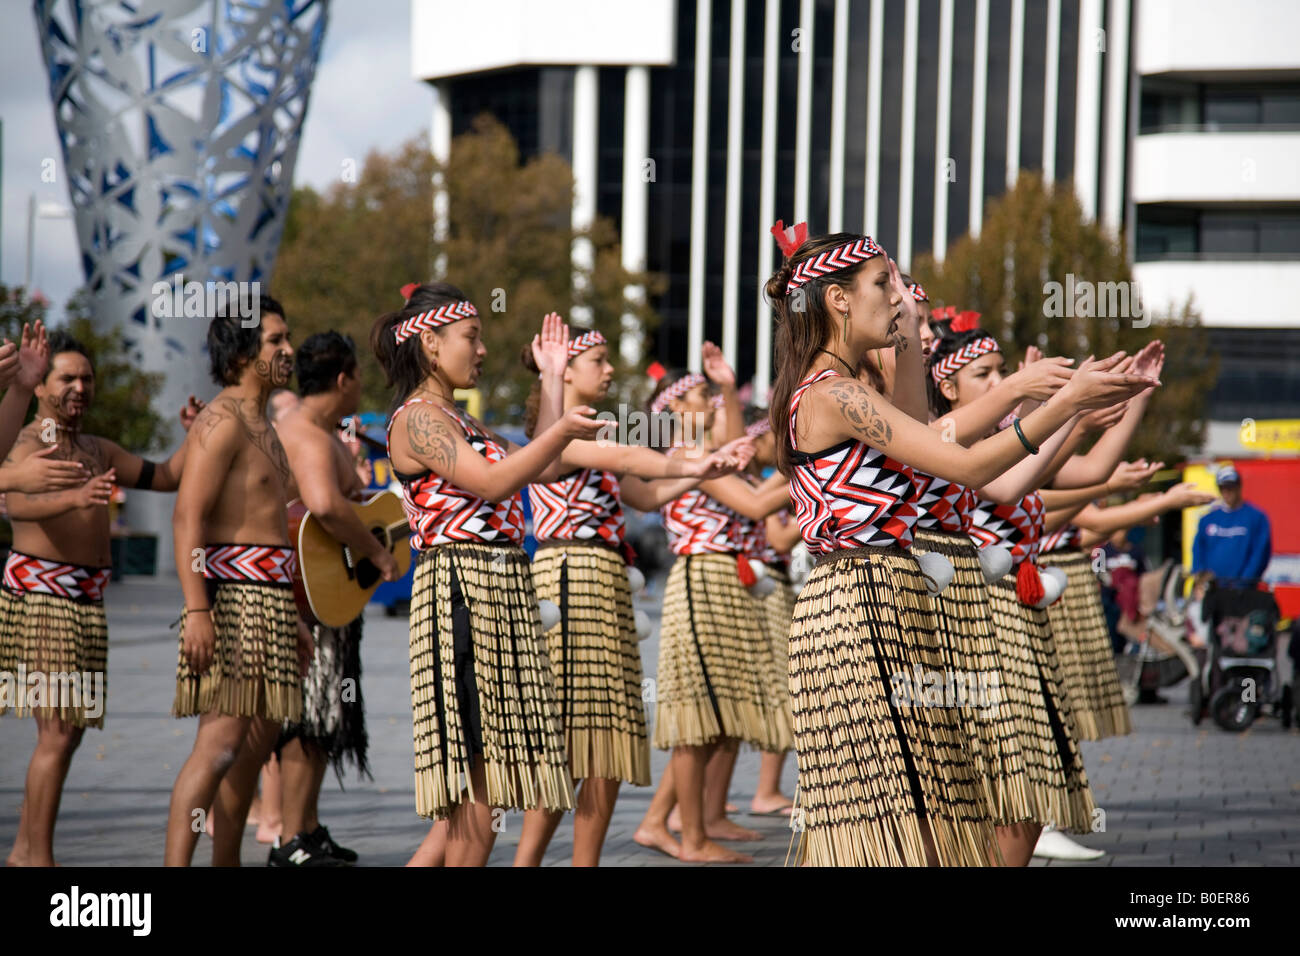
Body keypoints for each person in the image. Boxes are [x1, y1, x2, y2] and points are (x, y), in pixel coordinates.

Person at [765, 223, 1154, 865]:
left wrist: (913, 332)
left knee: (928, 825)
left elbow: (928, 434)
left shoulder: (849, 388)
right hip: (857, 610)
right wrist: (1063, 403)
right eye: (882, 284)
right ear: (837, 299)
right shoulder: (833, 394)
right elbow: (969, 469)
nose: (897, 297)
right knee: (886, 833)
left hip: (888, 602)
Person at [374, 288, 603, 867]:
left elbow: (543, 467)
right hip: (461, 597)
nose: (481, 348)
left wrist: (552, 379)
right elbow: (495, 483)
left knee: (484, 792)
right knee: (476, 796)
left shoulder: (457, 416)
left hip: (494, 594)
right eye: (470, 337)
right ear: (430, 342)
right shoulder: (418, 419)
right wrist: (562, 429)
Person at [512, 329, 749, 867]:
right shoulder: (558, 434)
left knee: (607, 740)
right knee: (574, 740)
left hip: (604, 578)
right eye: (598, 360)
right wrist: (692, 464)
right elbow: (631, 457)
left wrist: (699, 472)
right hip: (572, 577)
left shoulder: (591, 429)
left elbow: (640, 492)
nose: (610, 370)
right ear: (565, 371)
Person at [2, 329, 197, 867]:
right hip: (44, 600)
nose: (80, 387)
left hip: (86, 604)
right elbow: (15, 508)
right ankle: (35, 860)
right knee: (58, 732)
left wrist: (194, 435)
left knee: (69, 734)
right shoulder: (26, 443)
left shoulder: (96, 449)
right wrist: (72, 496)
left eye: (87, 378)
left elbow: (166, 476)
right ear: (39, 386)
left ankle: (24, 850)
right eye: (67, 377)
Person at [166, 296, 313, 867]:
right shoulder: (222, 419)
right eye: (275, 340)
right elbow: (187, 518)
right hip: (229, 603)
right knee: (219, 745)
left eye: (286, 337)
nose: (287, 349)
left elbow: (276, 527)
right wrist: (197, 610)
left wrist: (294, 617)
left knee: (253, 751)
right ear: (241, 357)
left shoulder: (264, 426)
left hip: (271, 604)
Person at [632, 363, 792, 864]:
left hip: (728, 580)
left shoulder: (711, 453)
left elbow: (741, 461)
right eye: (702, 394)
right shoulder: (686, 454)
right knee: (699, 716)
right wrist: (816, 460)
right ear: (675, 408)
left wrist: (724, 384)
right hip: (704, 579)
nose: (713, 403)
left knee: (720, 716)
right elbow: (751, 506)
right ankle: (684, 832)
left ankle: (685, 821)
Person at [268, 331, 401, 866]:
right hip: (308, 597)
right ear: (343, 380)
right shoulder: (303, 432)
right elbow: (323, 505)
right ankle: (291, 840)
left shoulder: (320, 432)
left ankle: (308, 826)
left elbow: (343, 500)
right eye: (359, 377)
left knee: (325, 716)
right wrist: (378, 551)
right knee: (307, 719)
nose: (361, 387)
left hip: (327, 597)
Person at [1192, 465, 1272, 588]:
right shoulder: (1208, 519)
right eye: (1223, 488)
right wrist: (1200, 576)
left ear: (1239, 487)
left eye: (1230, 487)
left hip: (1243, 589)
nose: (1226, 492)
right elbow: (1198, 549)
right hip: (1213, 588)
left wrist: (1245, 581)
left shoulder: (1256, 517)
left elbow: (1260, 553)